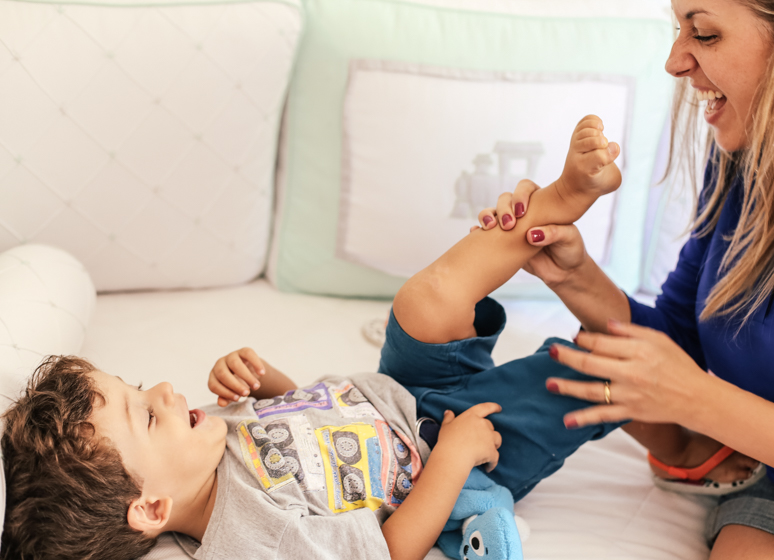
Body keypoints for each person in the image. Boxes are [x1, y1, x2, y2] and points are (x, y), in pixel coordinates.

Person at [1, 116, 626, 560]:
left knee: (420, 303)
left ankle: (559, 200)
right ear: (152, 509)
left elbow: (314, 428)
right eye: (145, 414)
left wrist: (263, 378)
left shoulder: (206, 435)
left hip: (397, 388)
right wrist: (456, 455)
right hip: (439, 450)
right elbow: (388, 548)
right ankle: (645, 356)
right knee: (590, 373)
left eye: (139, 388)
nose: (164, 390)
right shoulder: (254, 539)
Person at [480, 1, 774, 558]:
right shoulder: (743, 166)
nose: (675, 62)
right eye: (679, 32)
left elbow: (689, 384)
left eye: (705, 34)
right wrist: (575, 278)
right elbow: (682, 341)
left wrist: (699, 402)